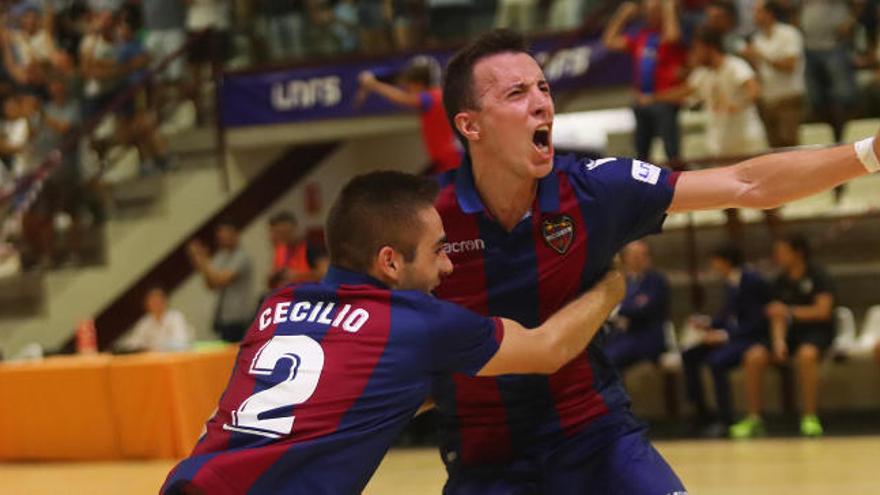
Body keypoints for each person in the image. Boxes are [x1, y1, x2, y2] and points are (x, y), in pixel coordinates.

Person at [432, 29, 877, 494]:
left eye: (543, 87)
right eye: (517, 93)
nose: (542, 103)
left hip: (595, 438)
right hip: (485, 459)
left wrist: (872, 152)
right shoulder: (425, 220)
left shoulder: (595, 190)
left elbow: (747, 183)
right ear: (471, 125)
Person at [161, 171, 626, 494]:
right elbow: (548, 349)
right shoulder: (417, 323)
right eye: (438, 250)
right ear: (390, 261)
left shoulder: (279, 305)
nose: (448, 265)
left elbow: (352, 400)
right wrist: (612, 281)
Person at [730, 234, 835, 439]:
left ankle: (810, 417)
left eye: (781, 252)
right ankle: (754, 418)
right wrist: (778, 342)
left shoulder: (819, 275)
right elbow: (776, 315)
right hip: (789, 333)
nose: (776, 256)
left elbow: (822, 311)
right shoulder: (778, 281)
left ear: (798, 253)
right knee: (754, 356)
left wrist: (789, 311)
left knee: (806, 355)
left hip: (816, 331)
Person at [682, 243, 770, 437]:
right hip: (734, 336)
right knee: (690, 355)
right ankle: (700, 410)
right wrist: (707, 324)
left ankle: (725, 419)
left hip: (751, 338)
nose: (713, 266)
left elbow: (757, 321)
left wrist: (724, 336)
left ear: (725, 262)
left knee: (717, 362)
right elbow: (728, 316)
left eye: (715, 262)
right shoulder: (731, 281)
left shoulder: (751, 281)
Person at [603, 0, 687, 165]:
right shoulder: (642, 37)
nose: (649, 14)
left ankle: (680, 182)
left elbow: (672, 35)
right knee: (641, 154)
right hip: (642, 102)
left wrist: (668, 7)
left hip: (665, 102)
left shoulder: (670, 34)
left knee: (672, 152)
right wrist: (622, 15)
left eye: (654, 10)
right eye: (647, 10)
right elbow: (609, 41)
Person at [359, 60, 462, 173]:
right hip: (447, 157)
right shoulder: (440, 95)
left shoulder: (431, 97)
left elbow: (403, 98)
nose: (407, 87)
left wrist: (374, 84)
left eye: (410, 84)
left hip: (449, 159)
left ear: (419, 83)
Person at [742, 0, 805, 149]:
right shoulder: (757, 38)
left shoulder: (788, 33)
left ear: (770, 14)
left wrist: (761, 55)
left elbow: (790, 65)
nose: (754, 16)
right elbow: (759, 72)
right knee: (773, 149)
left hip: (788, 99)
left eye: (758, 12)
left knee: (790, 148)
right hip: (767, 101)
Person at [604, 240, 670, 371]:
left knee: (609, 359)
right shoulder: (625, 281)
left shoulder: (656, 281)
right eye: (635, 256)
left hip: (646, 337)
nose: (640, 259)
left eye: (643, 255)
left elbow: (642, 310)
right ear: (626, 258)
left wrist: (616, 311)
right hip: (621, 335)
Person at [187, 219, 253, 343]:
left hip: (239, 318)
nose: (222, 239)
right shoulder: (221, 256)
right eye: (220, 237)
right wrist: (201, 262)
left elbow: (221, 279)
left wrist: (203, 260)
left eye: (225, 235)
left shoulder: (242, 256)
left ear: (235, 234)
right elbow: (211, 284)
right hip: (222, 317)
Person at [117, 287, 193, 352]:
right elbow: (133, 342)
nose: (155, 304)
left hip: (174, 360)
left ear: (165, 302)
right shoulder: (145, 322)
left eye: (158, 301)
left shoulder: (175, 317)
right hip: (153, 361)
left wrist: (156, 348)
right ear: (147, 305)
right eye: (152, 301)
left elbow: (180, 343)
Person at [267, 210, 328, 288]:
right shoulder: (280, 250)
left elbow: (325, 273)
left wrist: (298, 275)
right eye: (279, 233)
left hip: (309, 293)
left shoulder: (311, 247)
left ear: (295, 228)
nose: (283, 237)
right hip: (286, 294)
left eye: (286, 233)